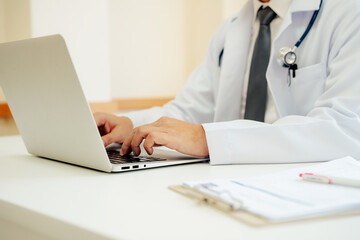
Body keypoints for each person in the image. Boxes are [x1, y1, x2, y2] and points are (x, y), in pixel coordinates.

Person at [94, 0, 360, 165]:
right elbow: (187, 111)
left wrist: (209, 139)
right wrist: (131, 125)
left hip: (308, 188)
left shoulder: (349, 15)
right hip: (228, 181)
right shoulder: (231, 29)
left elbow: (344, 129)